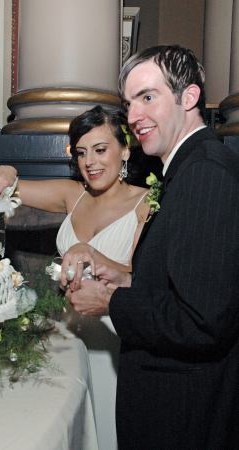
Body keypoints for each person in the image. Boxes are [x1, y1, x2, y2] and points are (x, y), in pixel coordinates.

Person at [66, 45, 239, 450]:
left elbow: (203, 323)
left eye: (148, 97)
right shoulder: (186, 168)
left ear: (189, 97)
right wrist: (127, 279)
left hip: (182, 416)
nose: (133, 117)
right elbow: (190, 279)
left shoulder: (206, 176)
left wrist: (111, 302)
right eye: (129, 103)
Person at [0, 105, 159, 450]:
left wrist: (91, 253)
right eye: (81, 153)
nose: (90, 163)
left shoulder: (147, 202)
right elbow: (12, 186)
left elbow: (140, 278)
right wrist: (6, 169)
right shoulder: (72, 194)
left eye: (100, 150)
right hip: (65, 333)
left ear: (125, 150)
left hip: (113, 339)